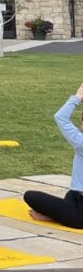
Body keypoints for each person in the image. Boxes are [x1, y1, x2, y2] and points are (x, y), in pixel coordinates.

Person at [23, 82, 83, 228]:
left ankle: (56, 216)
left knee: (30, 196)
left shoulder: (81, 142)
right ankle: (58, 215)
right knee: (70, 196)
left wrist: (78, 97)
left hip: (80, 209)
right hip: (76, 196)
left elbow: (61, 117)